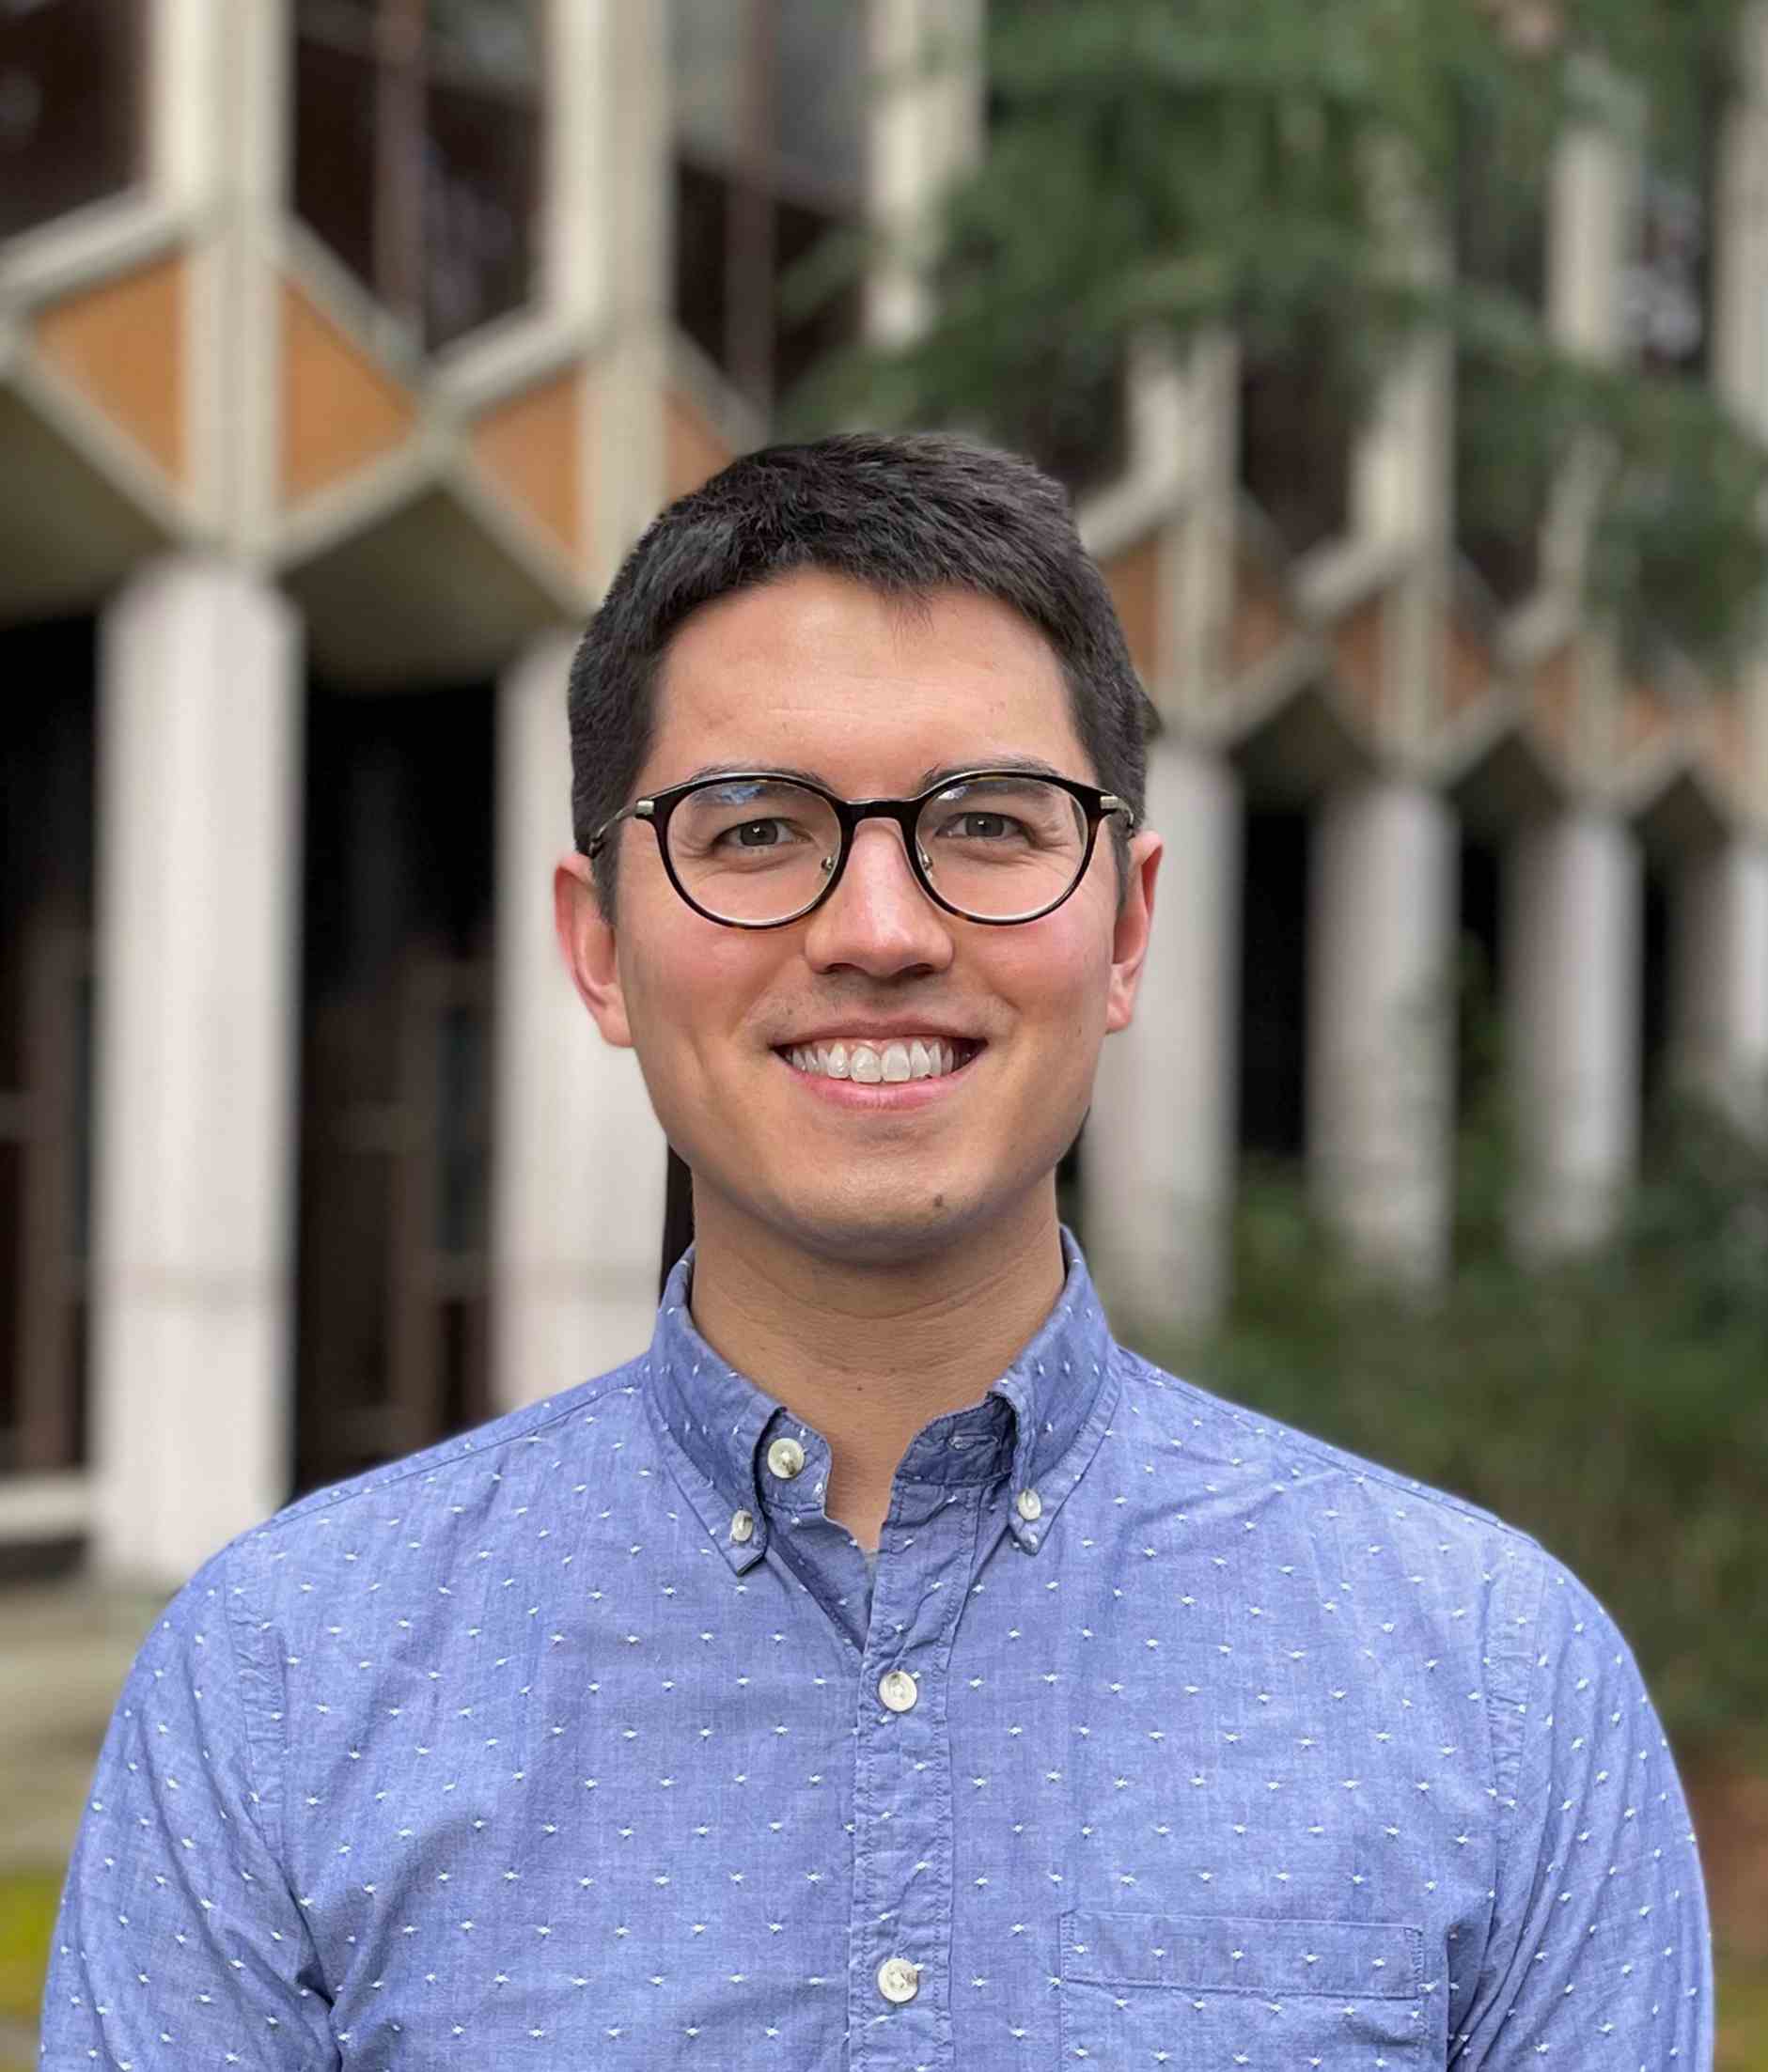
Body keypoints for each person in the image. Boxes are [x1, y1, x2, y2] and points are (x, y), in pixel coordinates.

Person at [41, 433, 1712, 2069]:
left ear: (1123, 927)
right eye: (756, 828)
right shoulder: (280, 1679)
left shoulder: (1494, 1684)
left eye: (987, 823)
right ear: (599, 945)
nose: (881, 930)